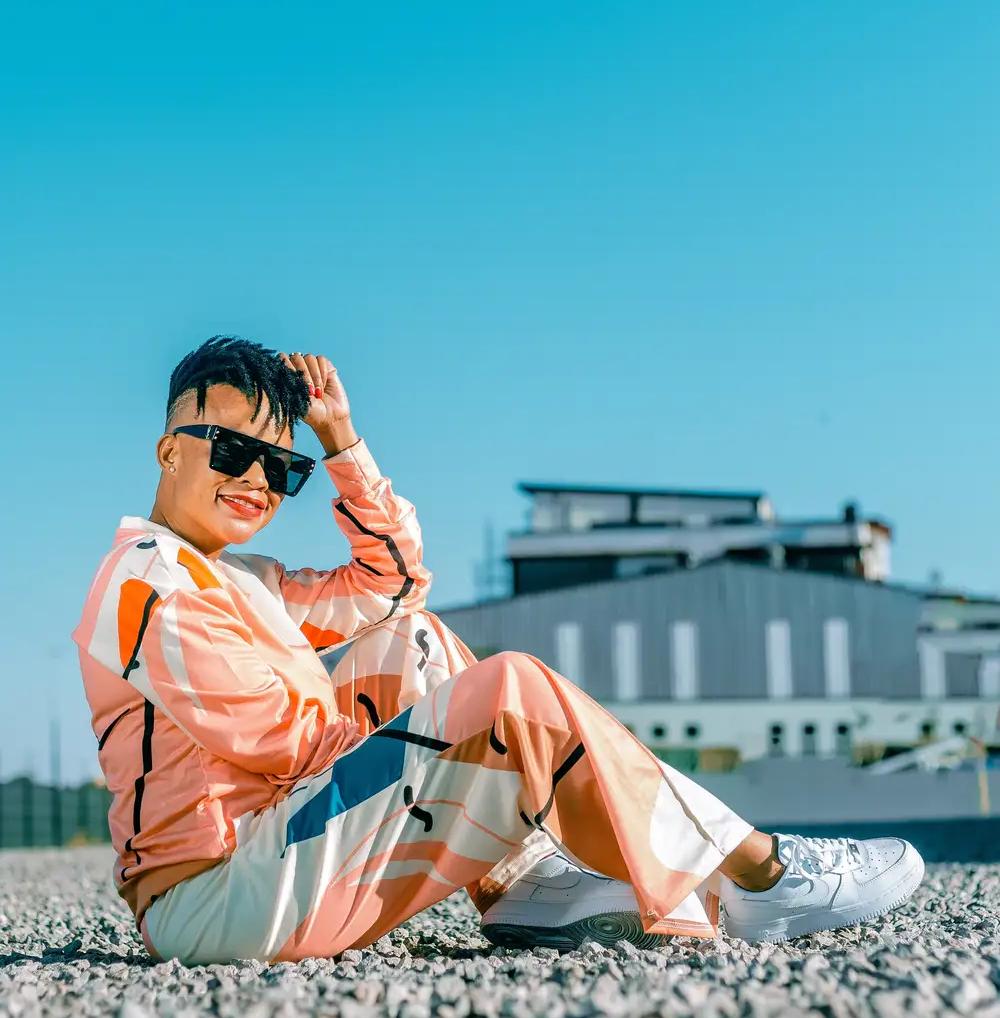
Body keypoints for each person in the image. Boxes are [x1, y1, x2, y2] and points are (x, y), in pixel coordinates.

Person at [74, 338, 924, 966]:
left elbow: (394, 584)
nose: (257, 481)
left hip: (266, 856)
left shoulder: (236, 576)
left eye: (280, 467)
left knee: (416, 642)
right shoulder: (147, 586)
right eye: (232, 452)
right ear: (169, 450)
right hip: (216, 902)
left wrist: (341, 446)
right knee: (511, 694)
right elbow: (286, 746)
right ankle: (762, 874)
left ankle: (527, 882)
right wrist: (479, 748)